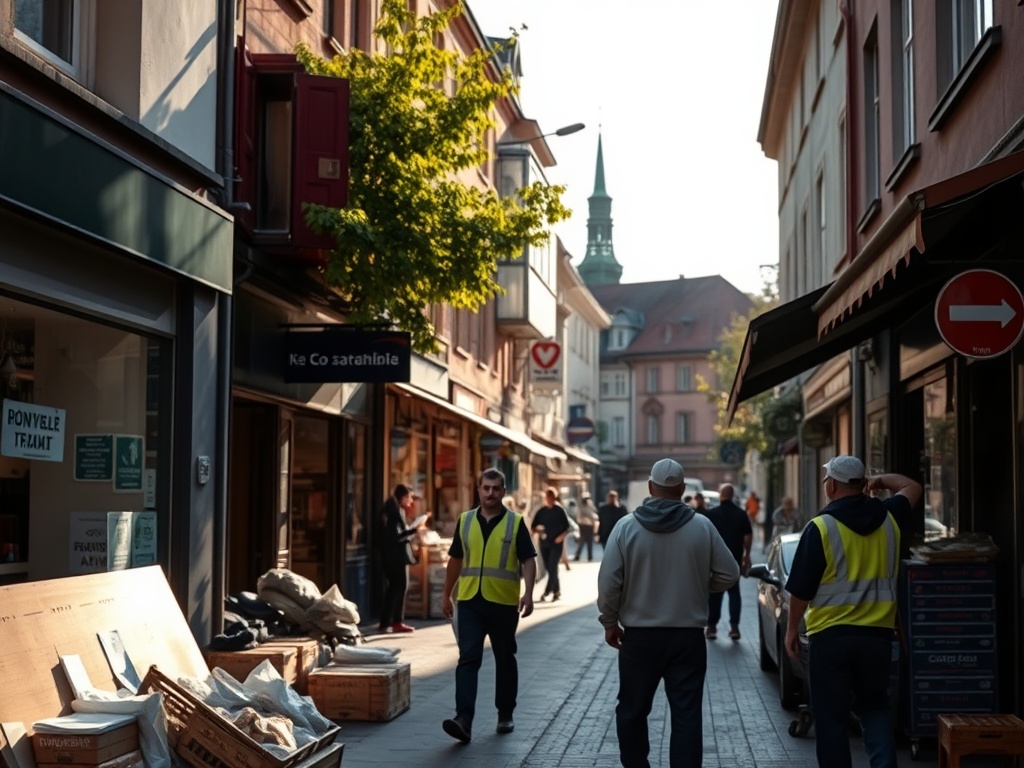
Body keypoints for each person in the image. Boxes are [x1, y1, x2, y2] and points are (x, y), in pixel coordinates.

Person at [598, 458, 739, 768]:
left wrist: (610, 622)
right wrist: (699, 584)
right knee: (687, 714)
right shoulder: (702, 526)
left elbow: (609, 583)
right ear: (683, 489)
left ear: (650, 488)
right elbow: (730, 574)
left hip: (640, 639)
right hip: (687, 638)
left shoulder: (626, 527)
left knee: (632, 710)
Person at [784, 456, 921, 768]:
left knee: (831, 719)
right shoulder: (890, 518)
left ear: (831, 485)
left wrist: (792, 630)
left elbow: (801, 591)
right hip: (876, 638)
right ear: (861, 483)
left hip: (830, 640)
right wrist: (880, 481)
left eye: (825, 481)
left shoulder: (820, 527)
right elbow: (912, 486)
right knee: (875, 709)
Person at [440, 468, 537, 742]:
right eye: (486, 488)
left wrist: (528, 594)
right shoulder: (465, 520)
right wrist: (446, 595)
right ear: (478, 489)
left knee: (505, 659)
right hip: (470, 601)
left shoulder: (515, 523)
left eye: (495, 488)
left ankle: (505, 713)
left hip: (503, 604)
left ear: (504, 492)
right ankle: (464, 720)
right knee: (468, 658)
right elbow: (456, 560)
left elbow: (528, 559)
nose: (490, 493)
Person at [705, 484, 752, 640]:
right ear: (732, 495)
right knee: (734, 594)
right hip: (735, 560)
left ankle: (711, 627)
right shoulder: (740, 514)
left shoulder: (712, 514)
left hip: (715, 562)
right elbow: (747, 537)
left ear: (720, 495)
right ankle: (734, 628)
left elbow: (706, 538)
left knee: (715, 595)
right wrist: (747, 556)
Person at [378, 484, 425, 634]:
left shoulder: (390, 509)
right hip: (396, 557)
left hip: (390, 556)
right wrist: (414, 530)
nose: (411, 501)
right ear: (403, 497)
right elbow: (396, 536)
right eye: (409, 497)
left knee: (392, 588)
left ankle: (385, 621)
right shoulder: (394, 511)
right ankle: (397, 621)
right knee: (400, 587)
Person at [531, 488, 571, 601]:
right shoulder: (542, 511)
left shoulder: (560, 511)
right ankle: (557, 591)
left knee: (553, 566)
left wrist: (561, 537)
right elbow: (533, 528)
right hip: (544, 544)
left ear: (554, 498)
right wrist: (537, 529)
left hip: (556, 544)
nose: (549, 500)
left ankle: (547, 592)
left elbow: (567, 528)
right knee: (550, 568)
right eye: (547, 497)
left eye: (551, 497)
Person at [574, 495, 600, 561]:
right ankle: (589, 557)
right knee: (588, 542)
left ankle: (579, 556)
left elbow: (578, 518)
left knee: (583, 542)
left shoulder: (583, 508)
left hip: (584, 526)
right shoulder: (589, 507)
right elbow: (594, 516)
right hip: (587, 526)